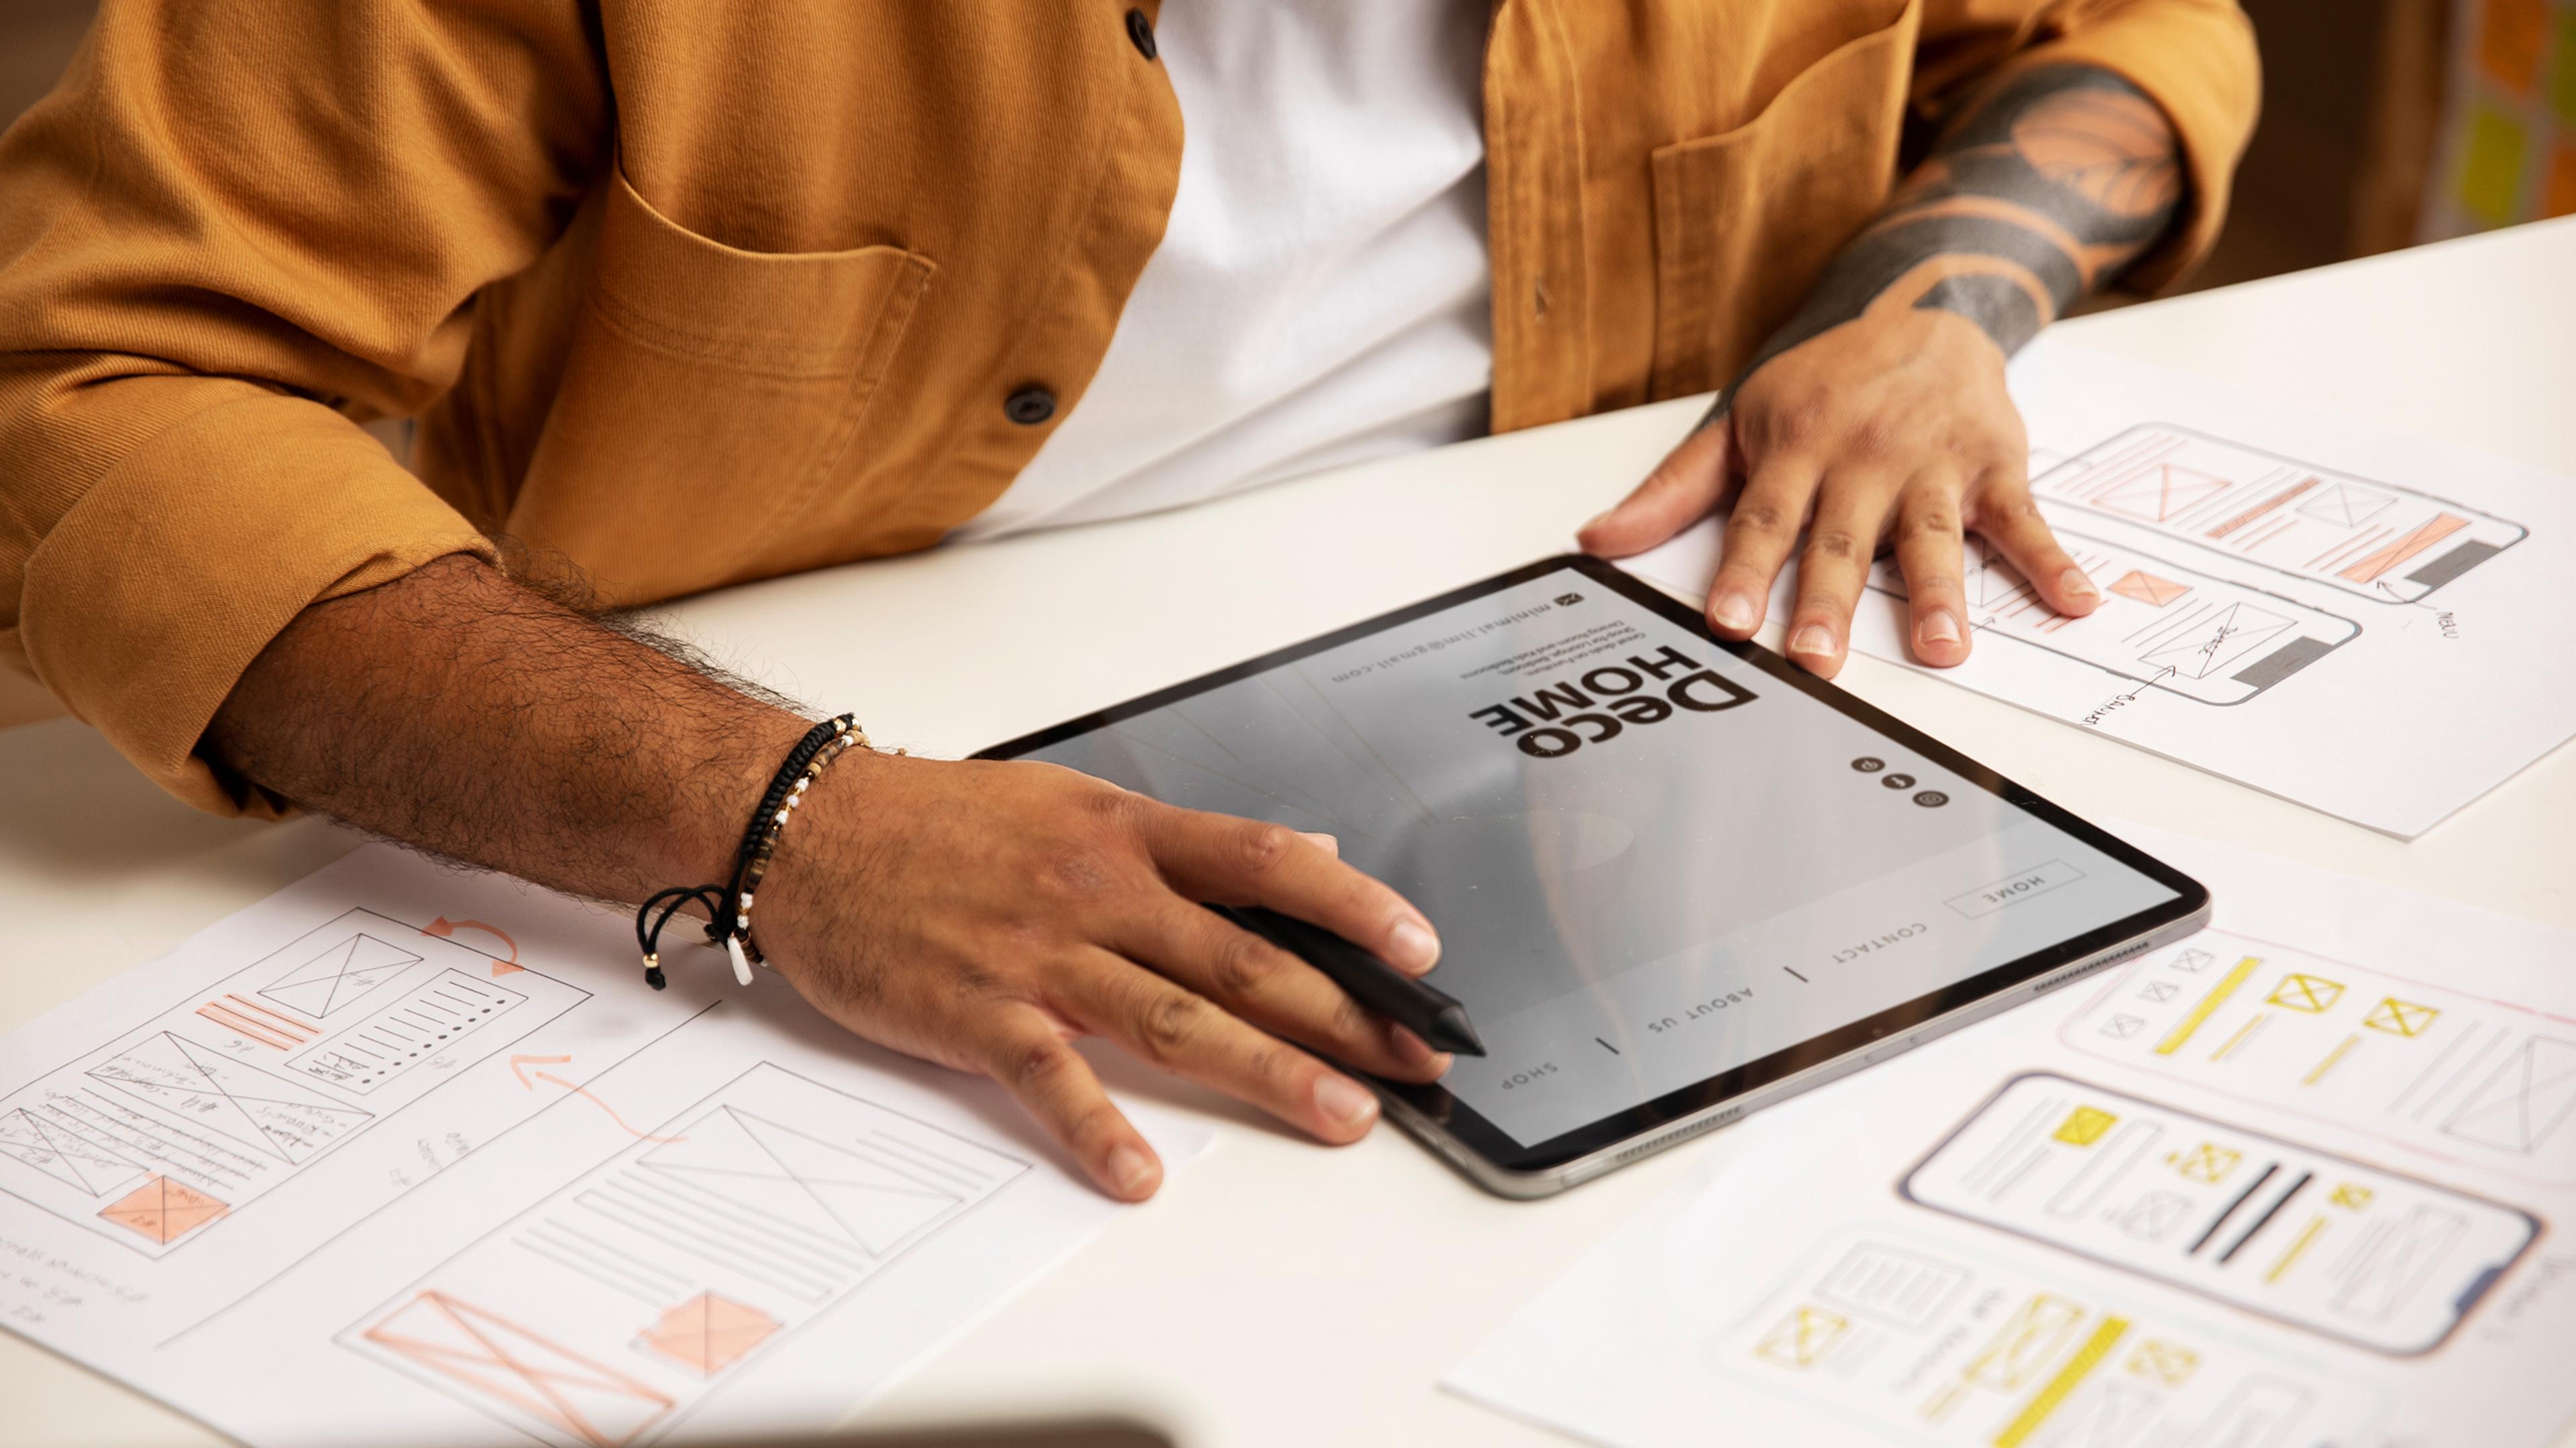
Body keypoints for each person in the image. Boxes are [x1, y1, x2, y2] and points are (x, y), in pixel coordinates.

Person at [0, 2, 2256, 1199]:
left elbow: (2131, 36)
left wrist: (1941, 300)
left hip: (1620, 657)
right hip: (790, 785)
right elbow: (85, 399)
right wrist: (794, 822)